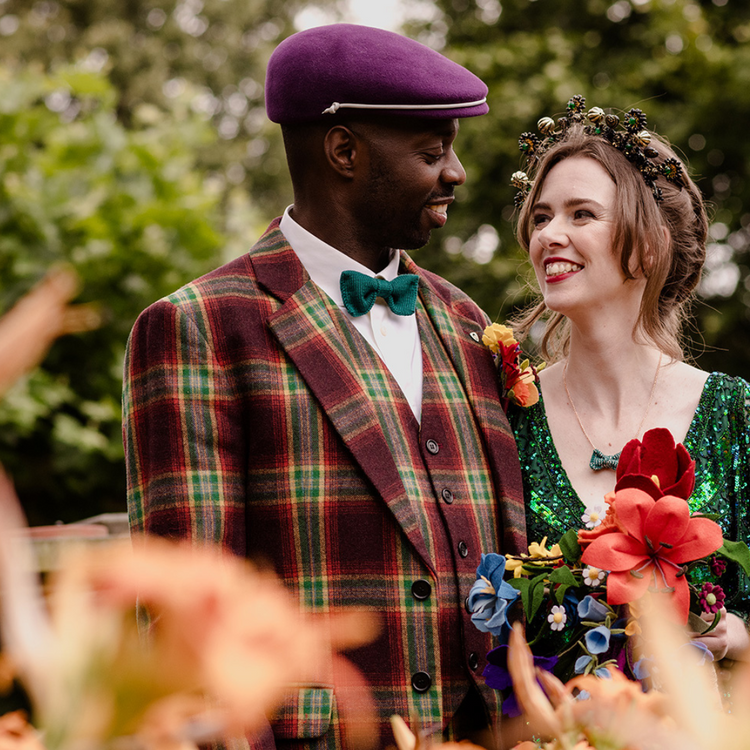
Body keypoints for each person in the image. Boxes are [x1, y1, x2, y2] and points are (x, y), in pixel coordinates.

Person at [123, 23, 526, 750]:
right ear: (344, 152)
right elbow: (189, 619)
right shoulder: (199, 327)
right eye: (432, 153)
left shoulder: (466, 320)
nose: (457, 173)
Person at [505, 96, 749, 662]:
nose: (549, 235)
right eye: (541, 217)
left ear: (648, 243)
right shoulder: (509, 412)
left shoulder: (733, 412)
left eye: (581, 214)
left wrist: (733, 633)